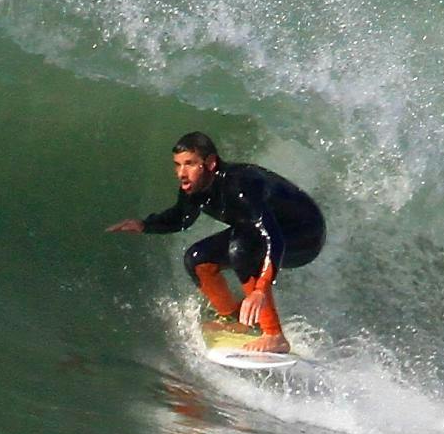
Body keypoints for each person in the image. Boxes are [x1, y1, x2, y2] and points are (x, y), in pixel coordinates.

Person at [109, 131, 324, 350]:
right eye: (177, 165)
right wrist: (145, 225)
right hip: (263, 235)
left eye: (190, 164)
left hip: (305, 235)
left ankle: (274, 335)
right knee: (198, 259)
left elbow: (273, 238)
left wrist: (261, 289)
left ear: (210, 163)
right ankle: (234, 319)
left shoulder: (240, 186)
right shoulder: (194, 187)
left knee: (240, 247)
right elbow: (182, 219)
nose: (181, 173)